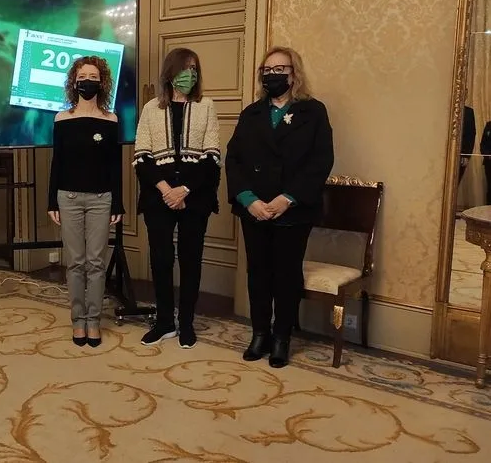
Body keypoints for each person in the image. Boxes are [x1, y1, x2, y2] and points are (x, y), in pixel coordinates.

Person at [225, 46, 334, 368]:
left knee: (286, 275)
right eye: (267, 70)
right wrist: (249, 200)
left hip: (293, 209)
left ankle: (282, 337)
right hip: (255, 209)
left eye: (280, 69)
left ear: (294, 73)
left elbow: (320, 160)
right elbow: (234, 161)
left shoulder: (313, 111)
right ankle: (259, 333)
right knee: (257, 273)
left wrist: (287, 198)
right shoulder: (251, 113)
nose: (273, 75)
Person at [133, 48, 221, 349]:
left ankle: (186, 323)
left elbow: (212, 157)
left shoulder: (207, 106)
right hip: (159, 196)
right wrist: (166, 189)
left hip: (195, 197)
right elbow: (141, 157)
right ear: (170, 72)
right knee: (160, 259)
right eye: (185, 68)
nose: (190, 74)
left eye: (195, 68)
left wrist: (184, 190)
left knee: (190, 259)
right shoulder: (150, 109)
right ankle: (164, 322)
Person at [47, 56, 124, 347]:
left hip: (102, 199)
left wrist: (118, 203)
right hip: (67, 198)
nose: (87, 81)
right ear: (74, 82)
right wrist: (51, 201)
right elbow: (57, 163)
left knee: (96, 263)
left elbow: (115, 166)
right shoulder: (62, 119)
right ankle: (77, 321)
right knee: (75, 263)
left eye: (93, 76)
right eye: (82, 77)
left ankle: (94, 321)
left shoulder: (111, 120)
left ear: (101, 82)